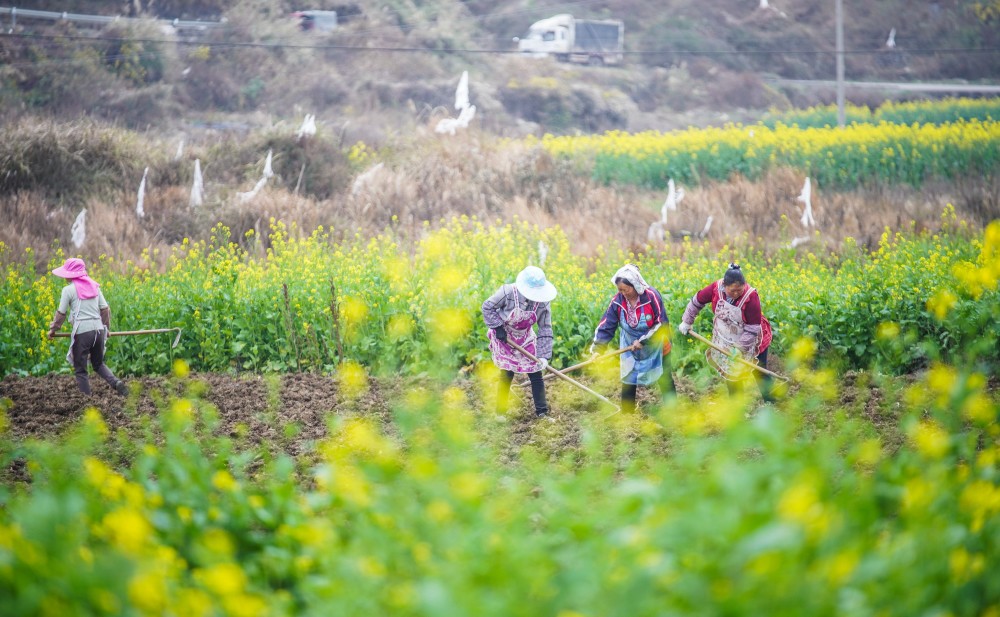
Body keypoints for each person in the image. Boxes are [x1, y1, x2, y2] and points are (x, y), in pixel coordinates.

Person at [677, 263, 775, 402]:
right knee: (732, 373)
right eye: (732, 290)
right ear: (724, 285)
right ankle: (736, 408)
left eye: (739, 290)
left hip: (752, 338)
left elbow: (753, 328)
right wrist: (687, 321)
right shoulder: (715, 288)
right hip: (727, 337)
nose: (736, 294)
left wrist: (739, 348)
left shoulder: (751, 296)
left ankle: (771, 401)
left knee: (759, 369)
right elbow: (696, 301)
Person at [590, 264, 676, 414]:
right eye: (620, 290)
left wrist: (644, 341)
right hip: (630, 345)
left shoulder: (651, 296)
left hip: (656, 343)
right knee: (628, 378)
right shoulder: (618, 301)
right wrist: (598, 349)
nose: (623, 293)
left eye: (626, 289)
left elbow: (662, 323)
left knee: (664, 377)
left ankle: (673, 412)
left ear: (635, 285)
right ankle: (627, 415)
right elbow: (607, 325)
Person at [482, 266, 557, 420]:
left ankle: (542, 413)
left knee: (536, 372)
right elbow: (487, 307)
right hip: (504, 336)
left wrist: (543, 356)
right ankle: (500, 413)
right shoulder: (508, 292)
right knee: (507, 373)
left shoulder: (542, 302)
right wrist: (497, 327)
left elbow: (545, 328)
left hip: (525, 337)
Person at [47, 258, 128, 396]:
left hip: (83, 332)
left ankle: (86, 399)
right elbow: (105, 309)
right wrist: (106, 329)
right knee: (98, 364)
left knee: (80, 369)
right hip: (98, 330)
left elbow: (61, 313)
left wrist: (53, 329)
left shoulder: (68, 290)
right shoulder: (94, 286)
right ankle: (116, 383)